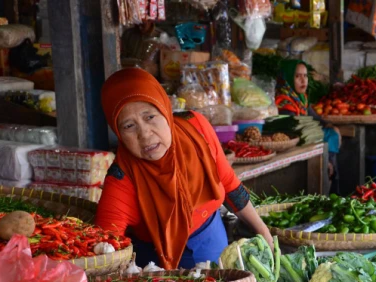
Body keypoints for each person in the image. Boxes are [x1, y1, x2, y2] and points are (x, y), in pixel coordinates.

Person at [96, 68, 272, 270]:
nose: (145, 134)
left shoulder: (196, 129)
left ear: (164, 110)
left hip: (211, 240)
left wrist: (263, 232)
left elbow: (230, 186)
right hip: (156, 266)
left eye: (150, 117)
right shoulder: (121, 179)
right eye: (129, 126)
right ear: (118, 132)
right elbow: (104, 249)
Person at [275, 59, 340, 188]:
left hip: (305, 137)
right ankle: (329, 173)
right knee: (329, 138)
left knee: (332, 133)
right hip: (295, 142)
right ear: (287, 78)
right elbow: (296, 132)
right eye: (297, 76)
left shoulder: (301, 99)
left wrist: (330, 125)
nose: (303, 80)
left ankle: (330, 175)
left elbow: (317, 119)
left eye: (305, 76)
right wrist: (323, 156)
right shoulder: (285, 103)